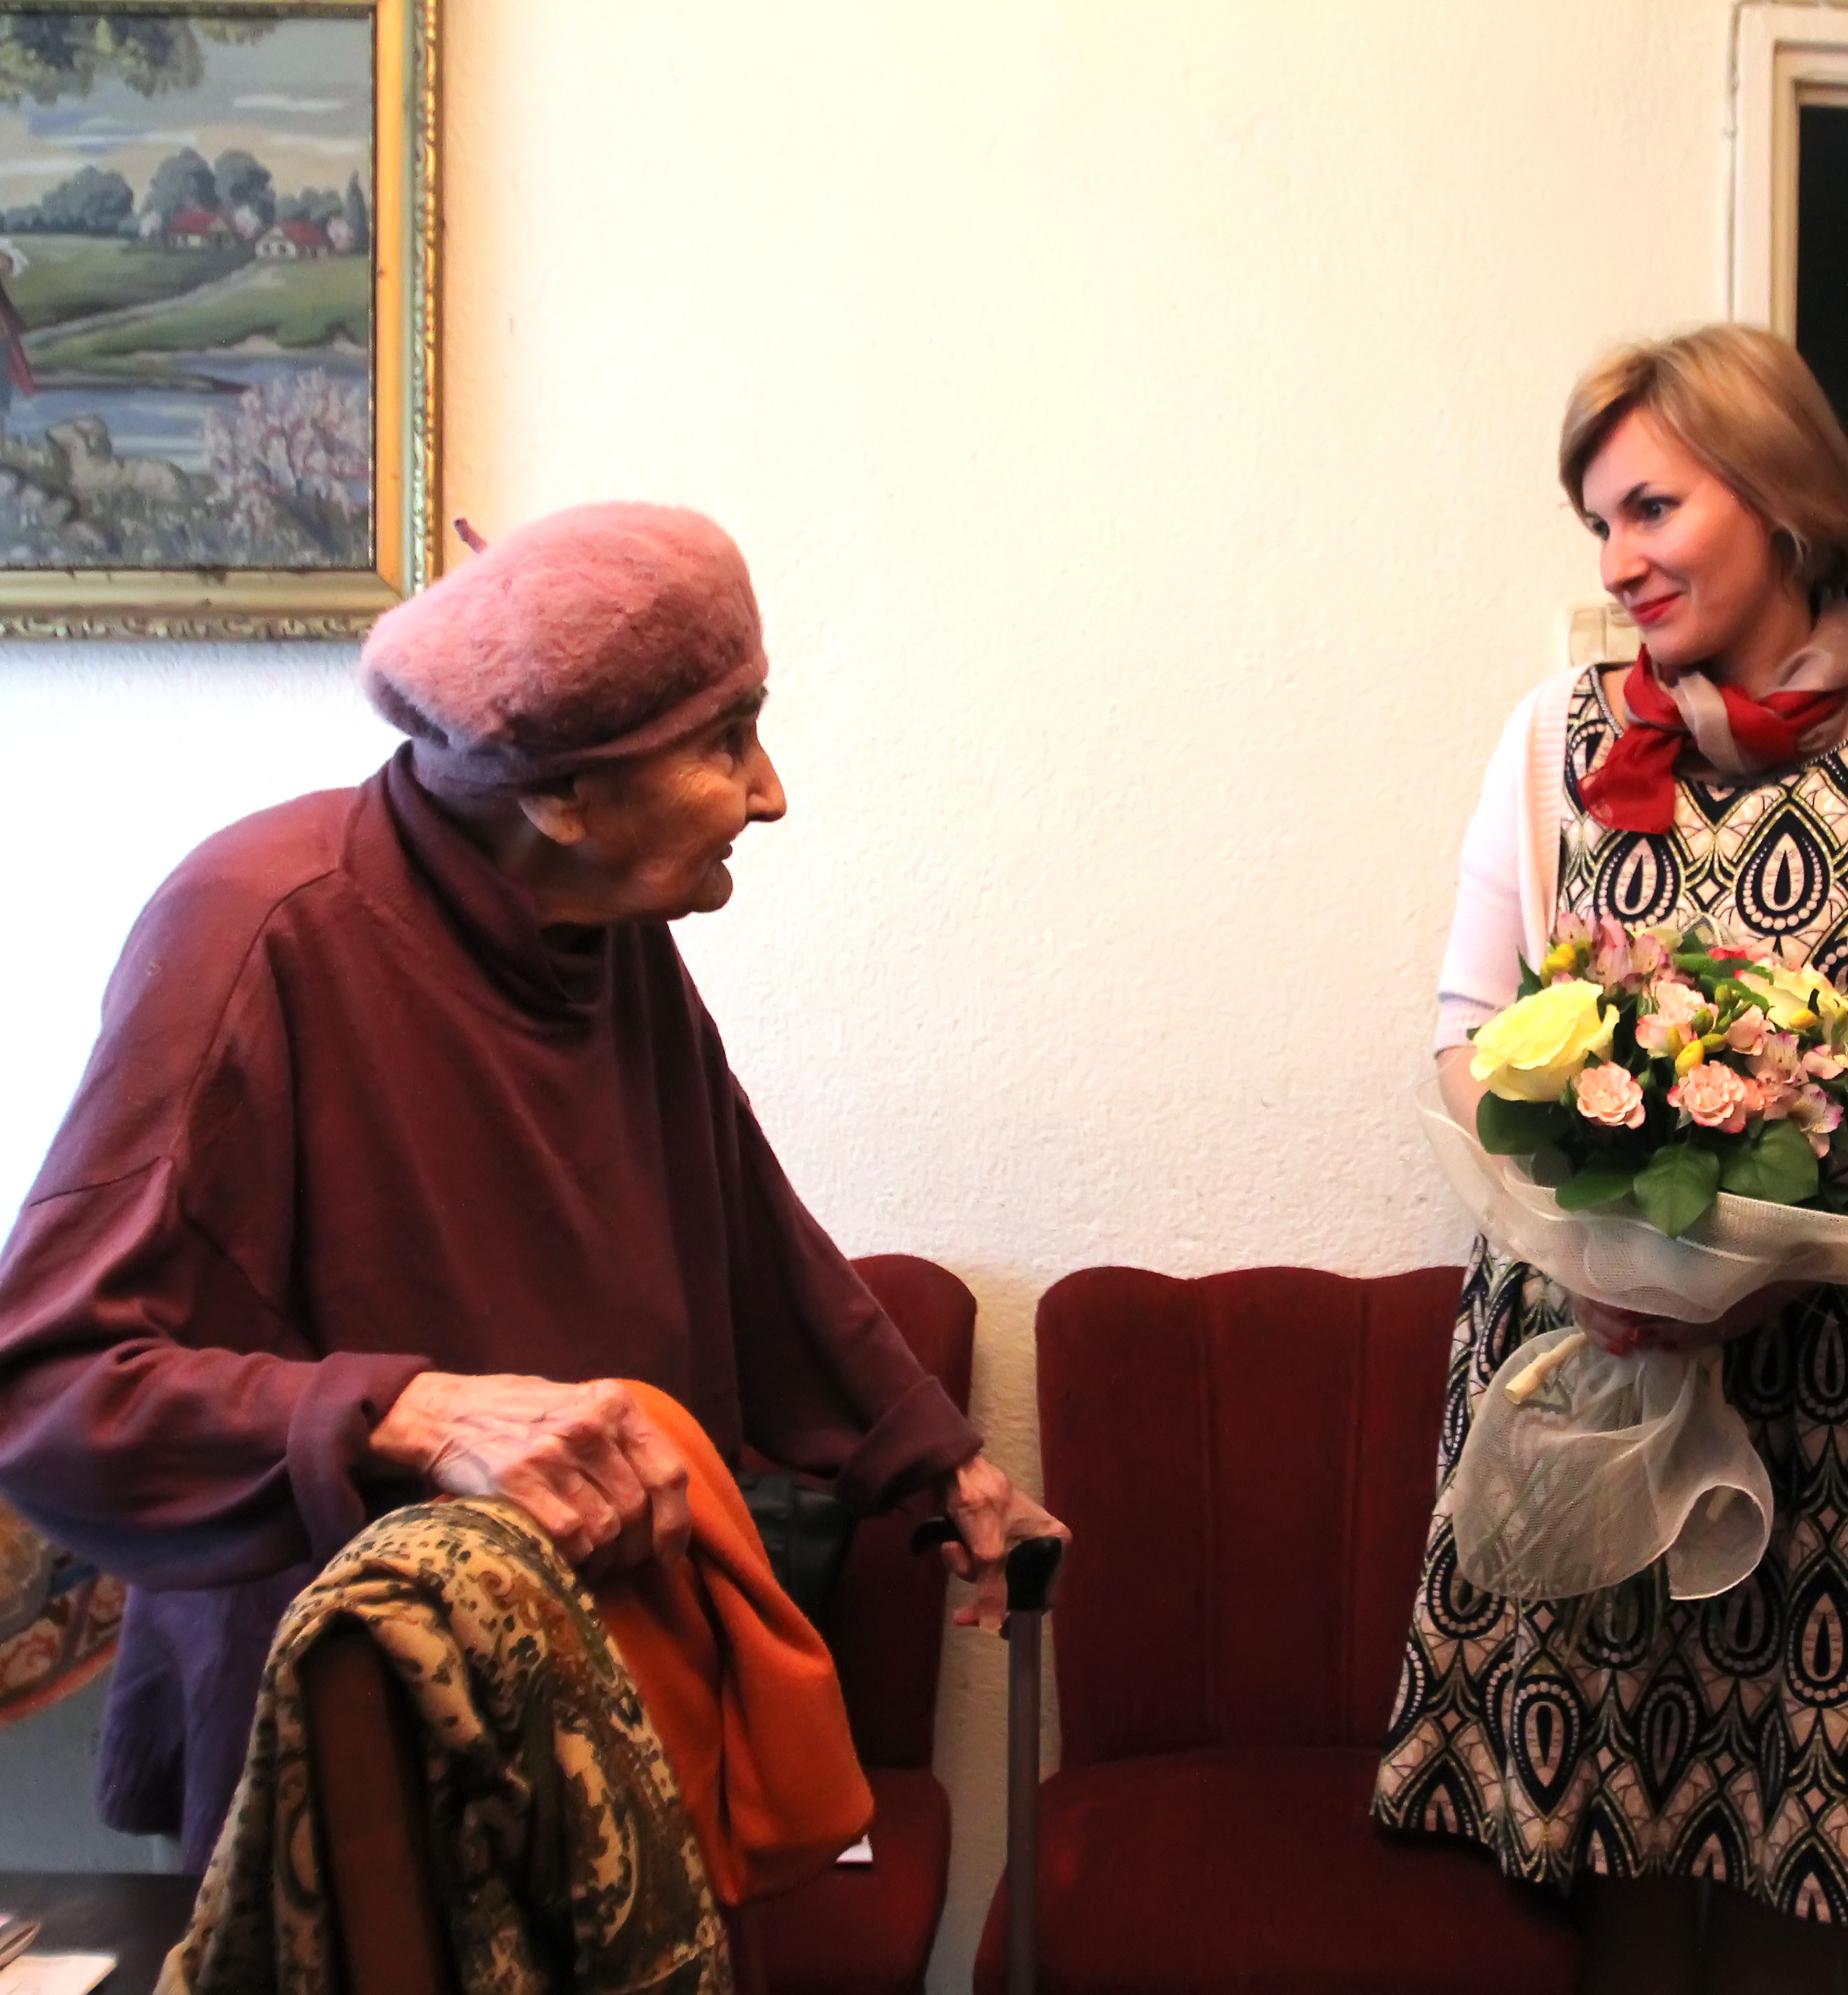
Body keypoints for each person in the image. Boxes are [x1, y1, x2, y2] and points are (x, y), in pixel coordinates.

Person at [0, 503, 1059, 1866]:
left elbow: (746, 1237)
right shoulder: (261, 923)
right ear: (559, 793)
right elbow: (52, 1382)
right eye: (724, 741)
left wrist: (941, 1465)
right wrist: (404, 1408)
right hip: (355, 1753)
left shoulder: (603, 922)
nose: (771, 790)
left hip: (603, 1696)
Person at [1372, 324, 1848, 1992]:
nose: (1618, 561)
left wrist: (1782, 1243)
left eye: (1651, 508)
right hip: (1589, 1365)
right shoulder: (1555, 734)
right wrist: (1611, 1249)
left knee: (1799, 1859)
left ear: (1781, 498)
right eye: (1597, 523)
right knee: (1600, 1834)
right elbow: (1468, 1039)